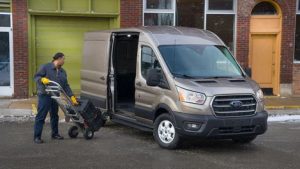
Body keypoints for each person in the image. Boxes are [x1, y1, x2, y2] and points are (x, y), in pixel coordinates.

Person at [33, 52, 78, 144]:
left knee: (54, 115)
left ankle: (55, 134)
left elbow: (65, 86)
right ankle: (37, 137)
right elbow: (36, 77)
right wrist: (41, 79)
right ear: (58, 59)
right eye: (63, 59)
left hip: (55, 96)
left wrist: (72, 96)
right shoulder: (45, 67)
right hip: (45, 95)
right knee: (41, 116)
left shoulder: (62, 72)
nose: (64, 61)